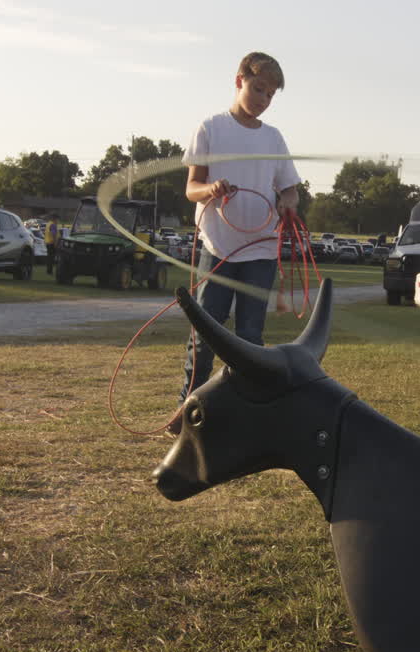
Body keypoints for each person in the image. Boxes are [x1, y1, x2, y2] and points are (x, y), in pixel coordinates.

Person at [172, 51, 300, 434]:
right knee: (204, 336)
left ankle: (244, 414)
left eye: (270, 94)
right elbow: (191, 188)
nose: (263, 99)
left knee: (249, 339)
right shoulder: (210, 128)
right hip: (218, 247)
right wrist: (210, 188)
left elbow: (290, 190)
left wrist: (287, 203)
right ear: (239, 80)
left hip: (260, 250)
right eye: (258, 88)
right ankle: (187, 410)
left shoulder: (274, 138)